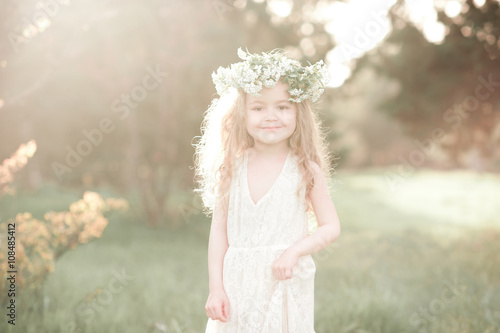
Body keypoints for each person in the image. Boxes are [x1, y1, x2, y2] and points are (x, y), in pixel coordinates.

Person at [193, 48, 341, 332]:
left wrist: (295, 251)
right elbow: (219, 233)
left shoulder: (305, 169)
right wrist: (216, 288)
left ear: (298, 112)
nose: (270, 116)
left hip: (284, 281)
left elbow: (330, 226)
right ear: (242, 114)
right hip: (237, 282)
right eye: (258, 107)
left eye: (283, 107)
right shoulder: (230, 169)